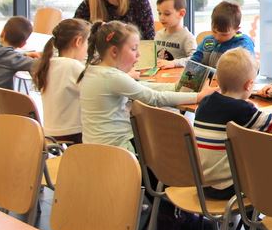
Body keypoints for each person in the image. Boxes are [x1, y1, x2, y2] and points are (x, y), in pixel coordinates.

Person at [192, 48, 272, 230]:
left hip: (201, 183)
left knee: (251, 167)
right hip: (225, 188)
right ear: (249, 84)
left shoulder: (206, 103)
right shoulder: (243, 110)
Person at [78, 20, 214, 151]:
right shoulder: (112, 77)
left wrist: (175, 87)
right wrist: (198, 97)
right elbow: (155, 98)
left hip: (92, 149)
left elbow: (143, 86)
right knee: (168, 140)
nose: (139, 54)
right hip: (118, 151)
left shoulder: (94, 70)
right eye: (134, 49)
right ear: (114, 51)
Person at [31, 18, 91, 144]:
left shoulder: (48, 64)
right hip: (74, 134)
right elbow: (96, 90)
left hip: (50, 134)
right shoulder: (73, 66)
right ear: (78, 41)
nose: (87, 49)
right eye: (87, 43)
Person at [190, 0, 254, 68]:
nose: (217, 37)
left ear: (236, 29)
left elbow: (248, 69)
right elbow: (195, 60)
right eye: (214, 31)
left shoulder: (243, 45)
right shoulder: (208, 41)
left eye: (224, 34)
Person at [155, 0, 196, 69]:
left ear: (181, 13)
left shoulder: (187, 37)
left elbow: (194, 60)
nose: (161, 17)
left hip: (175, 76)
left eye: (167, 14)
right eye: (159, 13)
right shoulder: (158, 34)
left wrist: (174, 63)